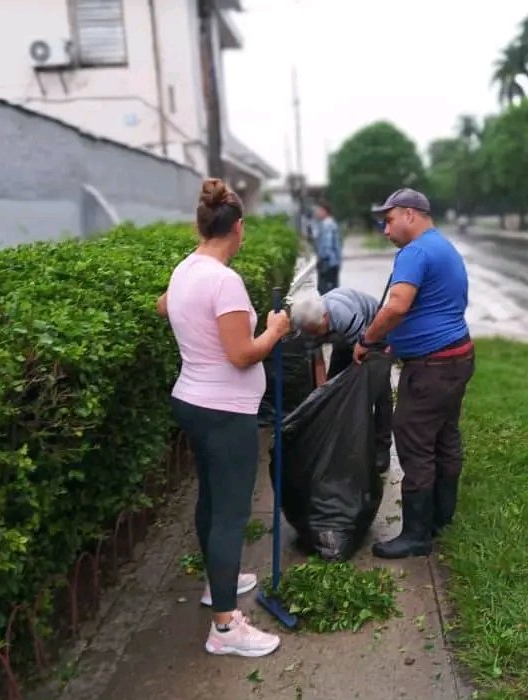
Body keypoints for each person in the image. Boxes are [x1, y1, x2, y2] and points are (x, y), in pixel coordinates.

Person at [157, 178, 291, 657]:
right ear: (237, 228)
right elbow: (241, 354)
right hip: (224, 410)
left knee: (212, 500)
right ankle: (226, 628)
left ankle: (221, 583)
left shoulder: (186, 270)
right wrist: (273, 330)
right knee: (231, 514)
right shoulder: (225, 281)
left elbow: (163, 306)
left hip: (192, 399)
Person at [353, 188, 474, 559]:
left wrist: (368, 339)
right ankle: (441, 514)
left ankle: (417, 536)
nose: (385, 230)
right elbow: (437, 305)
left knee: (414, 442)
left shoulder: (415, 252)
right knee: (444, 434)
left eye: (388, 221)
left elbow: (397, 307)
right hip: (457, 357)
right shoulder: (443, 246)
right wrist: (399, 345)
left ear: (410, 214)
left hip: (432, 368)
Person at [289, 287, 393, 473]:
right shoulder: (308, 325)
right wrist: (323, 393)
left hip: (372, 334)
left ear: (326, 317)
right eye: (312, 333)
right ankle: (338, 440)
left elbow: (362, 355)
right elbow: (319, 362)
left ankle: (381, 447)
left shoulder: (342, 315)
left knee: (379, 388)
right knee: (334, 388)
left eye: (318, 331)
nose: (316, 336)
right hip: (344, 341)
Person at [313, 202, 342, 294]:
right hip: (333, 262)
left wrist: (322, 259)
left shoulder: (327, 224)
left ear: (324, 211)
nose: (317, 213)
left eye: (319, 210)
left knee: (325, 290)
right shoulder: (330, 223)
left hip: (327, 262)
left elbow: (327, 245)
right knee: (332, 289)